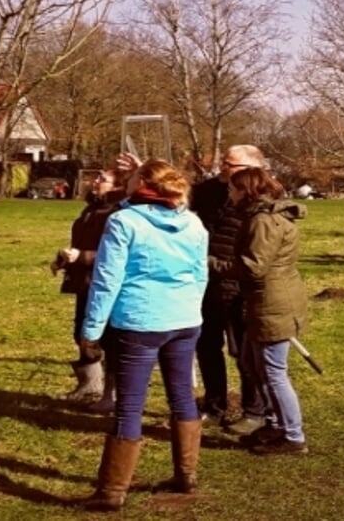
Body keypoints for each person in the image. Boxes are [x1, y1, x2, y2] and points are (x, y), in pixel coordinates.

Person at [80, 160, 208, 511]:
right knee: (182, 395)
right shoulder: (192, 221)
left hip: (141, 321)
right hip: (184, 319)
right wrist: (191, 309)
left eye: (132, 178)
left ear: (142, 184)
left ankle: (111, 491)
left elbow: (107, 280)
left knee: (130, 405)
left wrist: (91, 329)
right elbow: (200, 274)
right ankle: (187, 474)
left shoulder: (124, 222)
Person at [214, 167, 309, 456]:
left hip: (273, 303)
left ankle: (292, 435)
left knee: (273, 371)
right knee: (251, 363)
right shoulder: (260, 216)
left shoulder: (264, 221)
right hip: (263, 302)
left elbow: (254, 267)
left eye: (233, 189)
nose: (229, 195)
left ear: (247, 190)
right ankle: (274, 424)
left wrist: (210, 263)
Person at [189, 145, 267, 436]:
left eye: (230, 164)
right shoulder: (207, 191)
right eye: (223, 162)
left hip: (238, 286)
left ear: (252, 168)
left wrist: (224, 266)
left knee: (243, 352)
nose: (223, 167)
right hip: (204, 283)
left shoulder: (260, 201)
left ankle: (254, 409)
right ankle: (214, 403)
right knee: (207, 346)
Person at [53, 169, 126, 406]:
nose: (95, 182)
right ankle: (90, 385)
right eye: (96, 178)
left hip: (106, 284)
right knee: (82, 334)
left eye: (102, 180)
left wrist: (83, 256)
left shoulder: (119, 214)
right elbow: (80, 243)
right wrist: (62, 259)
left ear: (117, 187)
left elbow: (118, 255)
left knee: (108, 339)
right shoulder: (91, 209)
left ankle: (111, 394)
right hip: (84, 282)